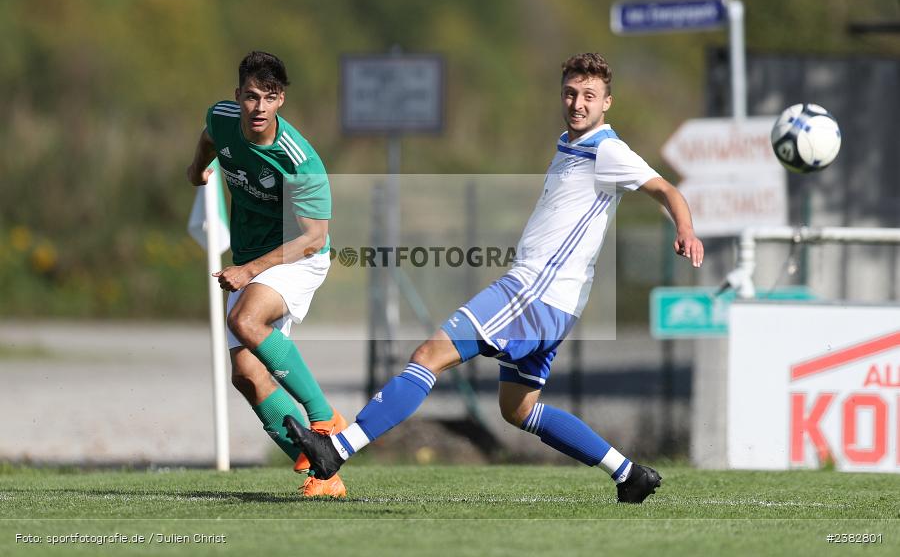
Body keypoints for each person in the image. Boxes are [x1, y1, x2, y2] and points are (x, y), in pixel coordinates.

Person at [286, 52, 704, 503]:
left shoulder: (607, 148)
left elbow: (665, 188)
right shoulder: (570, 143)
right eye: (570, 92)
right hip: (554, 302)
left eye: (589, 95)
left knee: (429, 354)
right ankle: (628, 474)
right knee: (518, 408)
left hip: (533, 291)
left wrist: (684, 227)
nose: (577, 103)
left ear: (607, 102)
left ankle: (336, 451)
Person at [187, 51, 348, 497]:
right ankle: (324, 473)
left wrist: (249, 270)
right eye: (251, 96)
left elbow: (315, 237)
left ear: (282, 101)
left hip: (297, 256)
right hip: (251, 262)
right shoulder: (222, 119)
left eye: (269, 97)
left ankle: (324, 418)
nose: (259, 107)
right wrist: (197, 166)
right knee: (244, 374)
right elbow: (208, 136)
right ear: (237, 96)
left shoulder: (300, 159)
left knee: (244, 321)